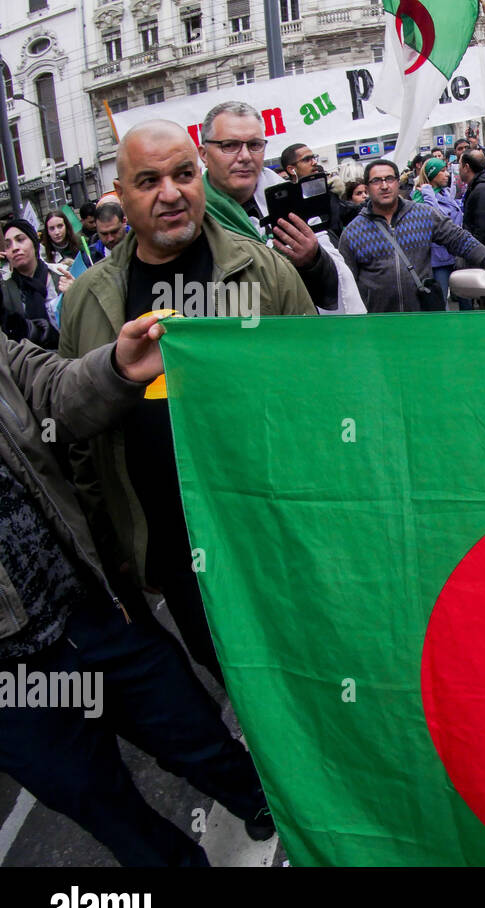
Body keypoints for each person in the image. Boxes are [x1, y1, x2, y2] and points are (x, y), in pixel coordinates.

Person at [0, 309, 278, 865]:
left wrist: (118, 369)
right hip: (12, 678)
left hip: (89, 607)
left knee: (190, 728)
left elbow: (56, 391)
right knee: (102, 803)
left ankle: (271, 807)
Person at [57, 119, 316, 687]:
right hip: (173, 553)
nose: (171, 194)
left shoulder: (264, 270)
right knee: (229, 672)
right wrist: (117, 546)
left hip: (272, 536)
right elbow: (79, 442)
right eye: (149, 181)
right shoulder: (85, 301)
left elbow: (316, 396)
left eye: (182, 174)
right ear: (120, 196)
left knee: (303, 674)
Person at [199, 102, 363, 315]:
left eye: (255, 145)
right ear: (204, 154)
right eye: (229, 145)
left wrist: (313, 260)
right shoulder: (189, 214)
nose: (245, 156)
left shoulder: (294, 203)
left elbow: (337, 287)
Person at [340, 158, 485, 313]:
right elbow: (345, 285)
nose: (384, 186)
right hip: (378, 322)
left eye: (389, 179)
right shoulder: (353, 233)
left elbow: (459, 238)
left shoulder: (423, 215)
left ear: (398, 182)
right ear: (367, 187)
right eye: (376, 181)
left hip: (421, 317)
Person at [2, 220, 66, 349]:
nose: (14, 248)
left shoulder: (63, 276)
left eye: (20, 240)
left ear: (34, 243)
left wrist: (74, 294)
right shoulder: (5, 291)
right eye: (8, 245)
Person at [419, 159, 471, 308]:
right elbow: (436, 219)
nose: (447, 174)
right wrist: (427, 192)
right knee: (441, 301)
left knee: (466, 299)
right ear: (432, 174)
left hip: (456, 254)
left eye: (446, 170)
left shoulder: (445, 192)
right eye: (442, 171)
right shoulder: (421, 196)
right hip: (439, 259)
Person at [280, 142, 353, 243]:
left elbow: (350, 213)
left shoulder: (328, 192)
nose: (314, 162)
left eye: (314, 157)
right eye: (307, 159)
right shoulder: (286, 203)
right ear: (291, 169)